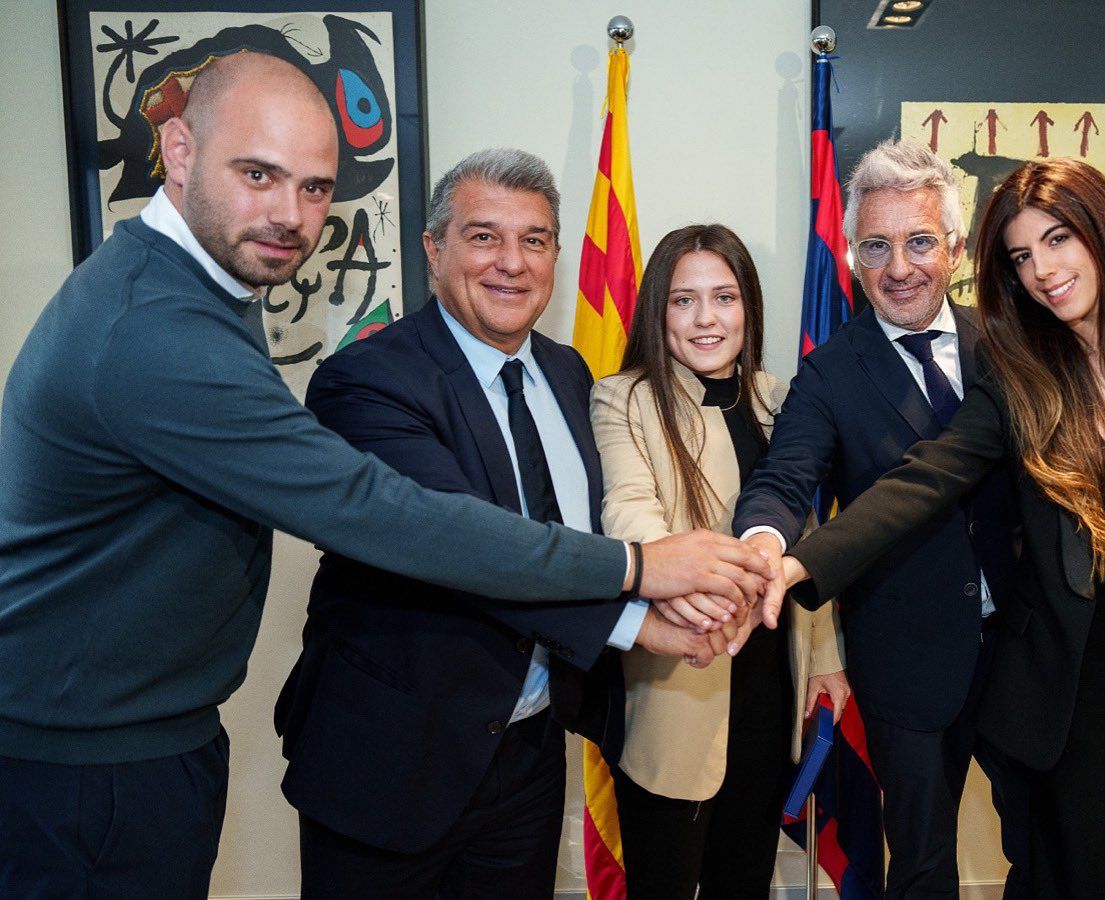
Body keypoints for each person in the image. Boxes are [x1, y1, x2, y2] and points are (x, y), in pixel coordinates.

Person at [0, 54, 769, 900]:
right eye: (257, 174)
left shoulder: (564, 372)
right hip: (222, 767)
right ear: (178, 150)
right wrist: (638, 575)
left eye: (314, 188)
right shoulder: (190, 337)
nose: (288, 213)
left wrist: (652, 608)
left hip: (508, 751)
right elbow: (408, 523)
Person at [774, 157, 1105, 898]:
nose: (1043, 271)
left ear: (1104, 230)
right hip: (1083, 664)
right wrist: (796, 566)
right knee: (1082, 875)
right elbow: (924, 479)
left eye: (1058, 240)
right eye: (1022, 257)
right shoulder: (1026, 373)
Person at [274, 149, 733, 898]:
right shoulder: (366, 381)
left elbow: (589, 523)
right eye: (484, 236)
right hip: (391, 759)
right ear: (434, 249)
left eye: (534, 240)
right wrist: (639, 602)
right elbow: (467, 549)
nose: (512, 263)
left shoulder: (569, 373)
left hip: (529, 751)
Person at [732, 140, 1030, 898]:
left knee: (1046, 844)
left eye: (919, 242)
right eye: (876, 246)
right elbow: (784, 477)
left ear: (955, 249)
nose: (899, 268)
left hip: (1027, 645)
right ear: (851, 256)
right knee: (922, 863)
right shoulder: (829, 372)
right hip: (906, 658)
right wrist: (763, 540)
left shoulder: (1011, 345)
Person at [590, 223, 848, 898]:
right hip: (680, 678)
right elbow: (629, 509)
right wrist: (685, 589)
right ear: (658, 310)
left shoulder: (778, 397)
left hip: (772, 682)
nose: (706, 318)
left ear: (748, 308)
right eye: (684, 300)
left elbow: (808, 532)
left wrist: (825, 657)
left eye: (724, 297)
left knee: (745, 877)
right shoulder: (624, 398)